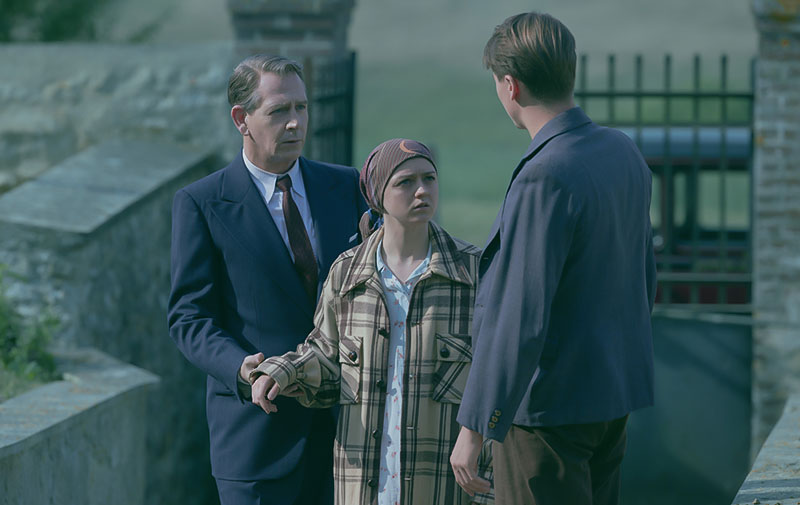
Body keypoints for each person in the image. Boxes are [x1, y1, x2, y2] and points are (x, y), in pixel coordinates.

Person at [450, 12, 657, 505]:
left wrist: (475, 427)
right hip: (611, 400)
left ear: (510, 86)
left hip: (547, 416)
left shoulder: (544, 175)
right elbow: (644, 278)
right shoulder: (622, 151)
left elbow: (519, 315)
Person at [248, 138, 494, 505]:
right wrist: (282, 372)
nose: (422, 190)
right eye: (406, 182)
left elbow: (497, 372)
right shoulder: (347, 274)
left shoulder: (474, 273)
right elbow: (326, 357)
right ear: (377, 195)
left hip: (444, 487)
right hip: (362, 485)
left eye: (429, 178)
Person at [167, 54, 367, 505]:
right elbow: (189, 318)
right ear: (242, 119)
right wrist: (240, 366)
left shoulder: (345, 187)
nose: (296, 122)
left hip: (345, 436)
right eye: (279, 111)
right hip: (256, 438)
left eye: (301, 107)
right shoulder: (202, 203)